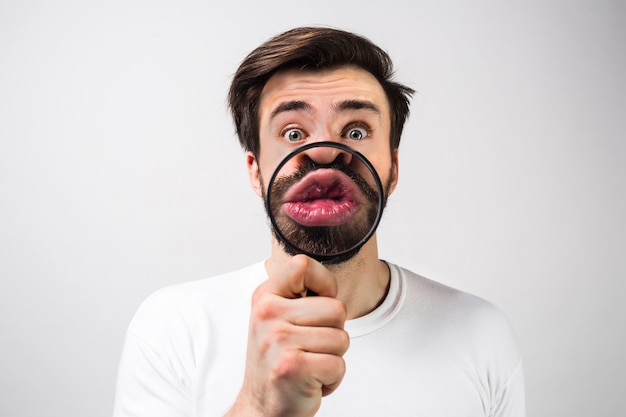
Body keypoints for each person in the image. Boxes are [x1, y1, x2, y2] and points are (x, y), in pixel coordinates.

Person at [112, 27, 525, 417]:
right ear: (256, 171)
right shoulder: (173, 326)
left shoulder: (480, 333)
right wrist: (258, 407)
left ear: (393, 169)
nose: (325, 153)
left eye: (357, 131)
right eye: (293, 133)